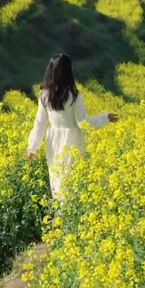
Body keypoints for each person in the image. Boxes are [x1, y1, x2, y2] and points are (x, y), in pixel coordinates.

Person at [26, 54, 119, 202]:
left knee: (57, 181)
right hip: (72, 140)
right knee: (71, 182)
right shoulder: (74, 96)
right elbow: (84, 123)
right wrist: (105, 118)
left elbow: (40, 123)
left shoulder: (44, 95)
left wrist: (32, 147)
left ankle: (60, 213)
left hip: (53, 141)